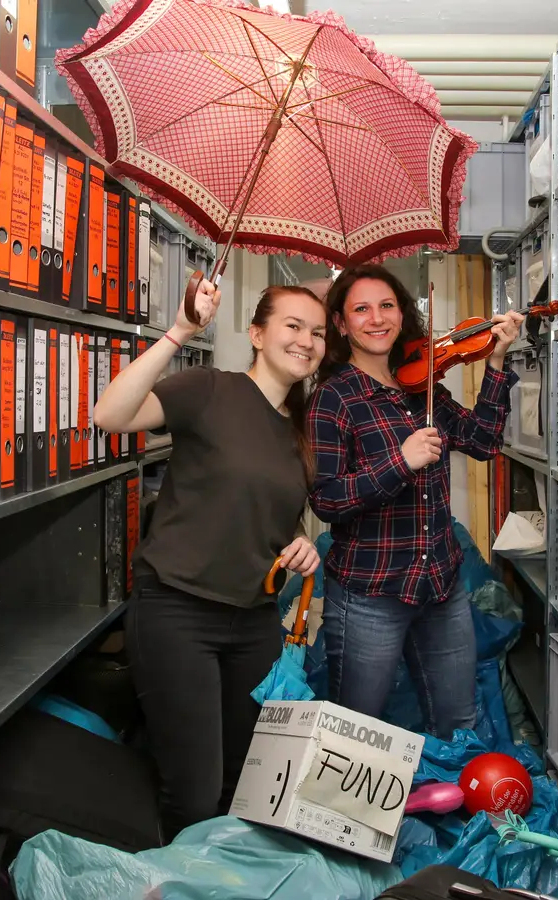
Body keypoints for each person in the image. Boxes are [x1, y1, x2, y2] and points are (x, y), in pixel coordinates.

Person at [93, 279, 326, 840]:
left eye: (317, 332)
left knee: (239, 783)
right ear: (257, 333)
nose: (306, 340)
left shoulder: (298, 429)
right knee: (193, 792)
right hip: (177, 612)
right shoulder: (209, 389)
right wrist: (181, 331)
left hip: (252, 621)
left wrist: (302, 543)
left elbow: (261, 509)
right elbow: (109, 414)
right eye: (292, 326)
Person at [307, 264, 524, 740]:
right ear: (341, 324)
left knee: (457, 724)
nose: (377, 318)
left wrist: (495, 364)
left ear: (403, 315)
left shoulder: (424, 389)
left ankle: (441, 809)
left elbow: (483, 442)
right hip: (370, 594)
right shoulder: (333, 398)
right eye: (361, 309)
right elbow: (327, 500)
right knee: (356, 732)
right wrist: (400, 461)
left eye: (387, 306)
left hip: (440, 588)